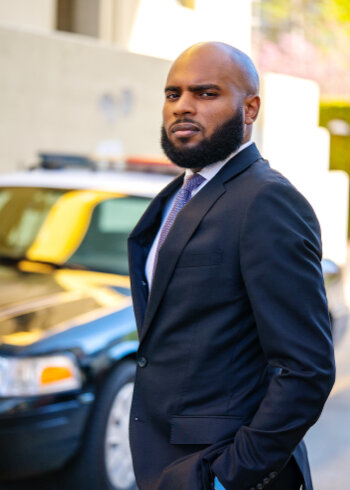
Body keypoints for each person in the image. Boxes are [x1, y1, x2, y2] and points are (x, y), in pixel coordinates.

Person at [127, 42, 335, 490]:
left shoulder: (266, 200)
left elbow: (306, 368)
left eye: (206, 94)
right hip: (163, 463)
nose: (183, 107)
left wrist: (227, 477)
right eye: (173, 94)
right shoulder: (174, 199)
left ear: (250, 107)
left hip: (221, 469)